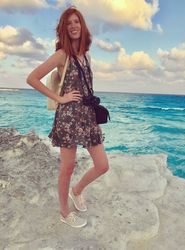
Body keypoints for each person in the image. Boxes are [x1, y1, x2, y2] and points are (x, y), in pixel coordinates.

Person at [26, 6, 109, 228]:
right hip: (68, 118)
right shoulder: (62, 55)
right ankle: (64, 212)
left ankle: (77, 190)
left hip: (87, 117)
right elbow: (32, 78)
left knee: (102, 165)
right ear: (63, 29)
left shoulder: (86, 56)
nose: (73, 26)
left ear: (82, 26)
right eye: (68, 23)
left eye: (76, 22)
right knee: (67, 167)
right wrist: (59, 98)